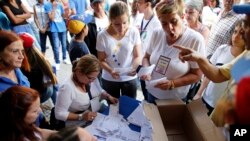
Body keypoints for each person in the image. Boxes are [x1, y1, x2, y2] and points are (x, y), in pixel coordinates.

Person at [173, 2, 250, 126]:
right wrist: (199, 58)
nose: (241, 34)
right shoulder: (246, 55)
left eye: (246, 25)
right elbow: (218, 74)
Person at [140, 0, 205, 103]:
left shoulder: (195, 40)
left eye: (174, 21)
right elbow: (146, 57)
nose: (169, 28)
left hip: (174, 99)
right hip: (152, 92)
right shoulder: (157, 33)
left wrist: (173, 83)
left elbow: (197, 74)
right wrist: (147, 70)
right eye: (164, 23)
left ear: (182, 17)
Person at [193, 20, 245, 115]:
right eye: (235, 31)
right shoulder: (222, 49)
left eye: (241, 33)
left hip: (224, 109)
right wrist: (199, 93)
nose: (236, 36)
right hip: (206, 98)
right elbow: (209, 73)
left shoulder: (246, 60)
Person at [55, 54, 118, 127]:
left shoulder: (92, 78)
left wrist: (108, 96)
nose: (92, 81)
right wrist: (81, 116)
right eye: (90, 78)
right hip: (76, 123)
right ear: (79, 72)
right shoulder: (67, 88)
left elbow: (99, 90)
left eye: (95, 78)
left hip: (93, 113)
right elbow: (59, 114)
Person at [96, 1, 142, 99]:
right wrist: (111, 70)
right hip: (109, 78)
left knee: (130, 107)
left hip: (129, 78)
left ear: (128, 19)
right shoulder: (102, 36)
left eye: (125, 23)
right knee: (113, 108)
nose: (122, 28)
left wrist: (133, 68)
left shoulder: (133, 32)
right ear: (111, 21)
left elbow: (138, 55)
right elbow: (101, 60)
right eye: (117, 24)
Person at [19, 32, 58, 104]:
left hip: (41, 95)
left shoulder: (27, 66)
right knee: (53, 87)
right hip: (49, 89)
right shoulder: (39, 56)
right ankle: (56, 103)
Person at [136, 0, 161, 101]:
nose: (136, 5)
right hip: (140, 61)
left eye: (139, 2)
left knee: (149, 93)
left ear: (148, 4)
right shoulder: (140, 18)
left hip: (149, 64)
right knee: (144, 91)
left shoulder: (157, 23)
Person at [44, 0, 70, 71]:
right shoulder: (47, 5)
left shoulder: (60, 5)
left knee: (64, 45)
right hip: (54, 29)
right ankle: (57, 62)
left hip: (63, 27)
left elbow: (63, 16)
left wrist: (66, 13)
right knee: (56, 46)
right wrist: (54, 8)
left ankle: (64, 58)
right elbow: (51, 18)